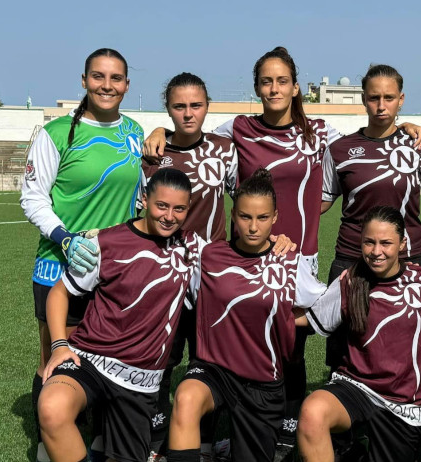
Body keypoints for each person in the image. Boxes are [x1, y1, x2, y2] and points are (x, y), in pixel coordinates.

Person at [143, 48, 421, 456]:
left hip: (298, 258)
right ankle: (213, 433)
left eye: (282, 81)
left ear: (296, 87)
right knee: (231, 342)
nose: (274, 88)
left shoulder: (320, 132)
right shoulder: (238, 128)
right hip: (244, 256)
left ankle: (286, 429)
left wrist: (406, 127)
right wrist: (160, 131)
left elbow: (368, 140)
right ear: (257, 87)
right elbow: (192, 133)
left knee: (290, 346)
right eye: (266, 81)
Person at [20, 47, 144, 462]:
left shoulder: (135, 131)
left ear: (127, 84)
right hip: (59, 265)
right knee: (58, 360)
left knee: (111, 359)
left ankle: (102, 439)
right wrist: (66, 239)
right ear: (84, 81)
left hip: (115, 272)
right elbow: (33, 198)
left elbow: (138, 195)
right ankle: (49, 442)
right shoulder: (57, 133)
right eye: (98, 77)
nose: (107, 85)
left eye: (116, 78)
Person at [37, 169, 203, 462]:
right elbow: (59, 293)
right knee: (52, 407)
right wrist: (60, 345)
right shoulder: (107, 242)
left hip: (140, 381)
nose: (169, 216)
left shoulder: (193, 248)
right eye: (161, 205)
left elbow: (241, 256)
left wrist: (278, 242)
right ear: (144, 200)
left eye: (179, 209)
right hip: (90, 360)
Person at [165, 168, 324, 462]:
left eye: (262, 218)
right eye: (245, 217)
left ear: (275, 217)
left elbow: (321, 308)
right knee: (186, 398)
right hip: (214, 370)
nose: (252, 226)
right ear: (233, 215)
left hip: (262, 382)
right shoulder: (209, 256)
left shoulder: (290, 262)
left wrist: (285, 317)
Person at [321, 63, 421, 371]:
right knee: (344, 354)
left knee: (402, 349)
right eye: (374, 97)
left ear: (401, 100)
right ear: (363, 99)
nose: (381, 105)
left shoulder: (419, 146)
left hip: (407, 260)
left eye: (389, 98)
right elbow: (317, 204)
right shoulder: (339, 150)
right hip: (352, 260)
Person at [297, 206, 421, 462]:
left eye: (386, 243)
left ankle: (354, 453)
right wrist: (259, 308)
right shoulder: (350, 281)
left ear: (402, 244)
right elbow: (312, 318)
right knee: (313, 413)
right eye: (369, 242)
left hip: (403, 406)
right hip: (355, 386)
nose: (376, 251)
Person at [141, 72, 237, 458]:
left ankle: (207, 442)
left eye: (195, 105)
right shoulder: (152, 154)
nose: (188, 113)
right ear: (168, 109)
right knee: (160, 361)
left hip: (212, 278)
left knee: (209, 362)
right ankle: (155, 440)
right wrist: (157, 132)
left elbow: (246, 202)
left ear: (207, 107)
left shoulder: (225, 150)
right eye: (178, 106)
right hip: (164, 275)